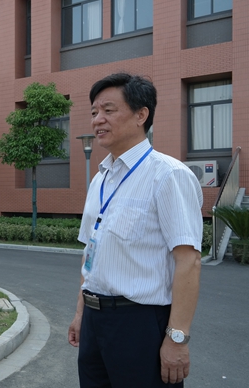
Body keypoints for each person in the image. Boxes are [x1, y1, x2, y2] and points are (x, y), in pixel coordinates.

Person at [67, 73, 203, 387]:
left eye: (108, 110)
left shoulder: (168, 175)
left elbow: (189, 261)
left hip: (139, 324)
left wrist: (178, 339)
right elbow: (91, 253)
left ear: (141, 115)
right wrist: (81, 313)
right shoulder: (100, 179)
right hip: (94, 321)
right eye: (94, 112)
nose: (97, 120)